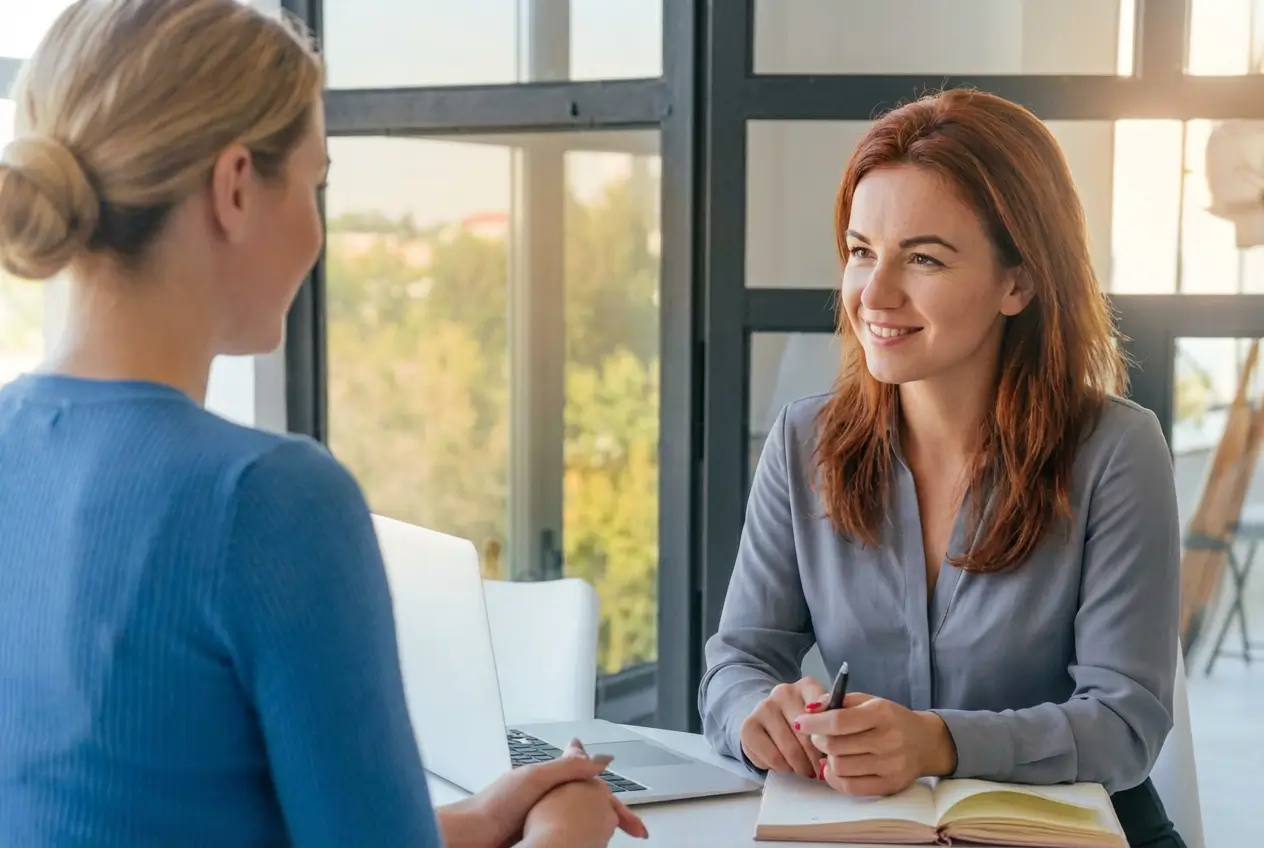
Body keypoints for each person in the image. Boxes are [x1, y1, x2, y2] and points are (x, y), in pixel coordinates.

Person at [0, 1, 646, 846]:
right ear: (234, 188)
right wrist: (568, 833)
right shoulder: (267, 502)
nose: (317, 227)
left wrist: (482, 818)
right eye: (316, 182)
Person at [699, 89, 1186, 848]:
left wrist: (938, 743)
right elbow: (737, 660)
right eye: (862, 251)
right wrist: (752, 715)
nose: (875, 295)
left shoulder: (1116, 452)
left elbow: (1124, 723)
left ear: (1018, 282)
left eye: (923, 258)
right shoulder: (804, 441)